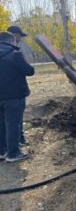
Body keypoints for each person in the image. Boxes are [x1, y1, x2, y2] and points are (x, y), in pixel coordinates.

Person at [0, 32, 34, 163]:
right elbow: (29, 71)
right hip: (14, 97)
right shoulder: (14, 55)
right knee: (12, 124)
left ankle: (2, 152)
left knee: (1, 124)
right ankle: (13, 154)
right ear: (11, 41)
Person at [7, 25, 28, 146]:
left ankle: (4, 149)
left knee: (4, 121)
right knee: (15, 119)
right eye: (19, 37)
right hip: (15, 93)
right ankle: (17, 143)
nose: (20, 39)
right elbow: (27, 71)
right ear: (14, 36)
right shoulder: (14, 53)